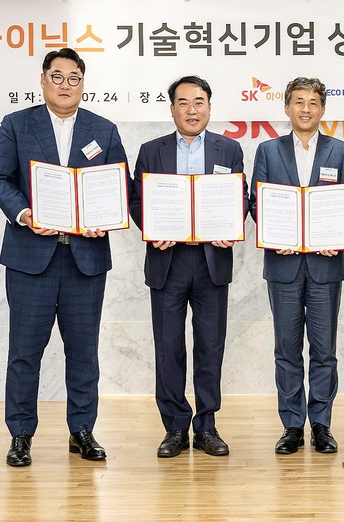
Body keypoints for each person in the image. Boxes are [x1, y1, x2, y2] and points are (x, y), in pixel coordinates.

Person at [0, 48, 128, 466]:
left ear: (83, 84)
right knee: (24, 351)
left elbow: (118, 184)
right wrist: (24, 214)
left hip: (85, 259)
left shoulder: (103, 129)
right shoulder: (17, 124)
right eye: (58, 76)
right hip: (31, 257)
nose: (66, 85)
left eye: (74, 78)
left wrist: (105, 217)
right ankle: (20, 434)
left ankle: (82, 430)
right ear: (43, 80)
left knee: (83, 351)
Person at [129, 76, 246, 458]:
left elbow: (240, 196)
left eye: (198, 102)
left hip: (212, 261)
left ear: (209, 107)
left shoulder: (229, 149)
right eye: (183, 102)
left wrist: (231, 227)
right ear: (172, 109)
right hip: (168, 261)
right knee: (169, 347)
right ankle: (175, 427)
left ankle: (207, 425)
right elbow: (136, 199)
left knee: (210, 346)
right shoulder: (151, 151)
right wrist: (151, 229)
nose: (191, 110)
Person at [249, 77, 344, 454]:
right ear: (287, 107)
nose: (306, 109)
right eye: (299, 102)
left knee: (324, 351)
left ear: (323, 109)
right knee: (287, 349)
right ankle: (292, 425)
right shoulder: (268, 150)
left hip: (325, 266)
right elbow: (256, 203)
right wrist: (274, 234)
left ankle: (322, 425)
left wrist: (337, 235)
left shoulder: (341, 151)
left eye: (313, 102)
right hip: (282, 265)